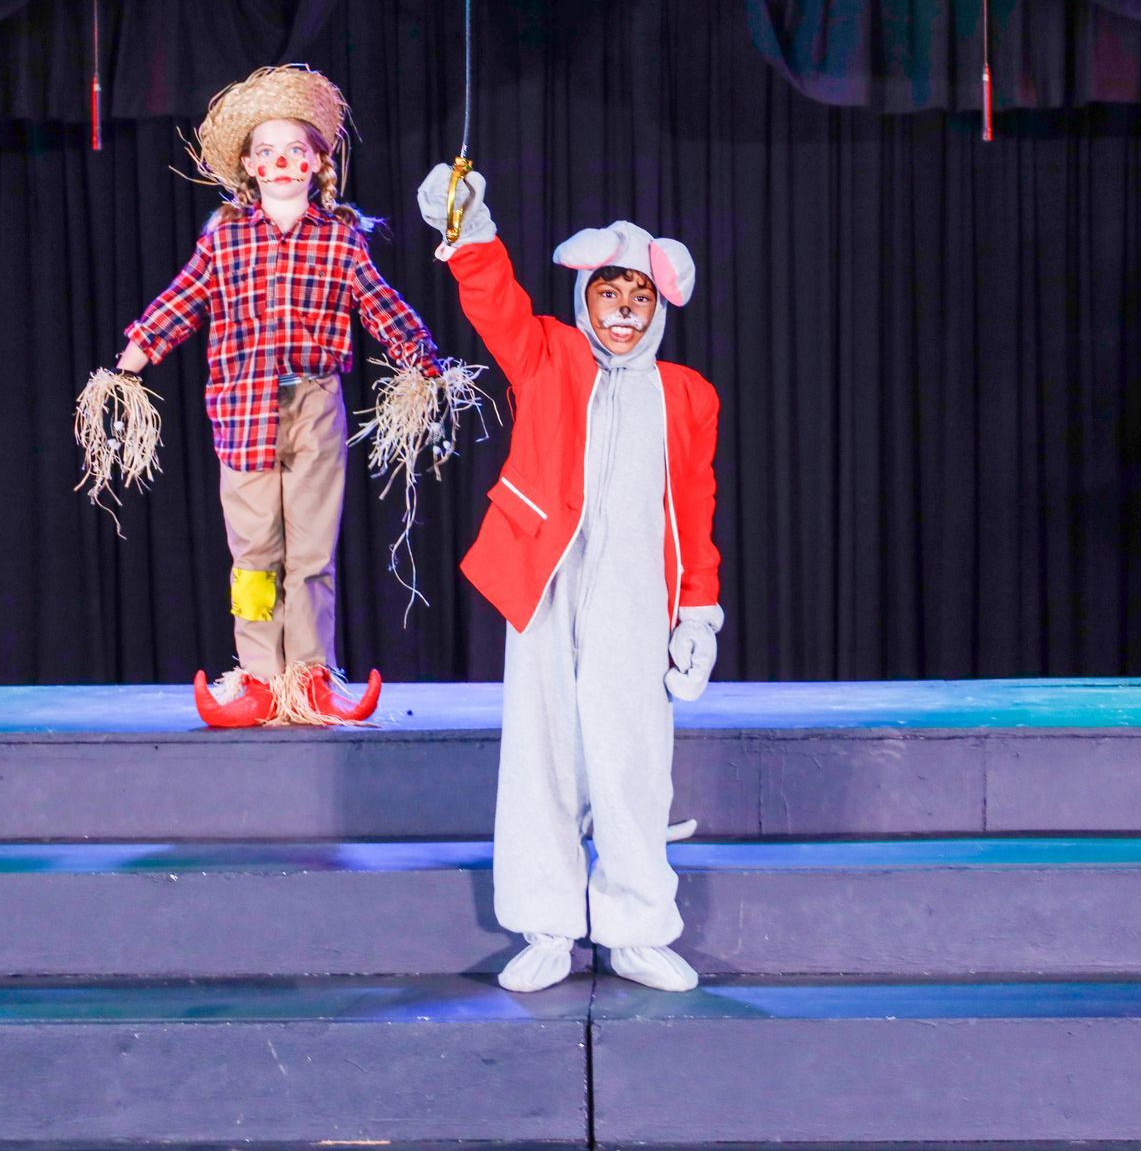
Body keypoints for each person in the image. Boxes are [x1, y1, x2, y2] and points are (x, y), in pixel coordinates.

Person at [416, 163, 725, 992]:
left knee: (633, 759)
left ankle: (636, 929)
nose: (623, 311)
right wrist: (469, 231)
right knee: (543, 755)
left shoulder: (688, 395)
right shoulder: (549, 354)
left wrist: (697, 612)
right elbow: (495, 303)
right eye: (608, 295)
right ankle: (547, 925)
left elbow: (695, 504)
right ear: (586, 301)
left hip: (637, 589)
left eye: (639, 298)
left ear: (658, 310)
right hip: (547, 577)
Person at [112, 65, 443, 726]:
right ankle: (261, 677)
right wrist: (133, 359)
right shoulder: (225, 236)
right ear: (248, 165)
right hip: (242, 409)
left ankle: (311, 677)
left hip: (315, 403)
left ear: (317, 161)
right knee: (255, 553)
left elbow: (378, 302)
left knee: (312, 551)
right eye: (267, 151)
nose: (282, 162)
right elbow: (185, 298)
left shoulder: (340, 235)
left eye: (296, 149)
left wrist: (423, 361)